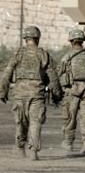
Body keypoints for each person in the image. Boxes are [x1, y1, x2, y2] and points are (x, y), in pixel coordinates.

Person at [0, 26, 62, 160]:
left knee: (20, 122)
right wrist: (57, 94)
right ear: (37, 38)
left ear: (26, 39)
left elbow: (7, 73)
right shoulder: (43, 54)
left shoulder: (18, 53)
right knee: (35, 122)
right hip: (36, 94)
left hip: (19, 94)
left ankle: (19, 149)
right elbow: (53, 76)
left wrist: (2, 92)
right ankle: (33, 151)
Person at [58, 29, 85, 155]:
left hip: (71, 90)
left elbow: (59, 73)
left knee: (70, 117)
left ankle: (68, 143)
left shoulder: (66, 57)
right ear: (82, 41)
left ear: (71, 41)